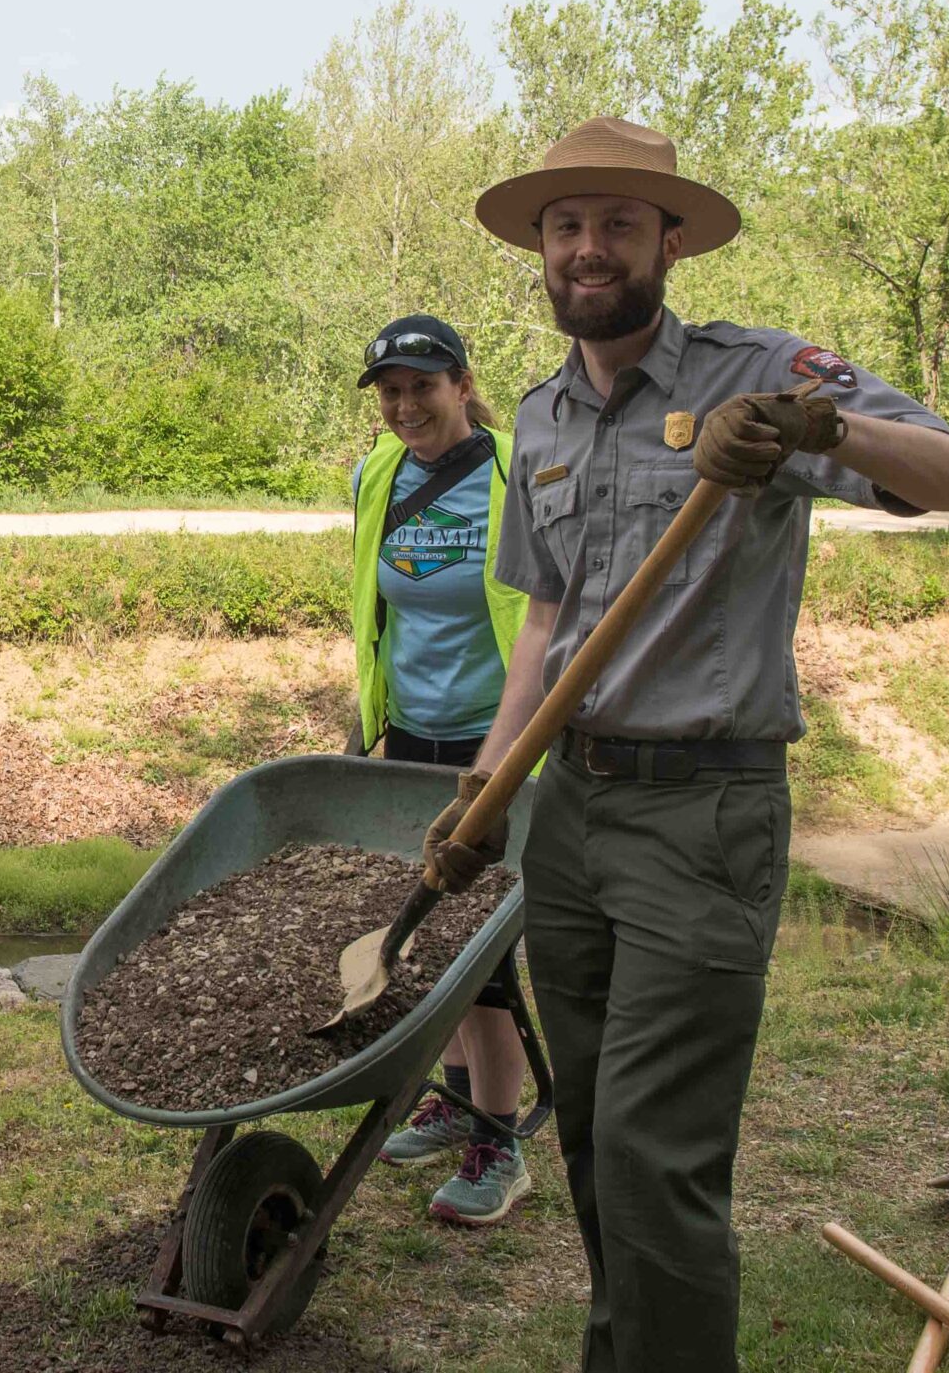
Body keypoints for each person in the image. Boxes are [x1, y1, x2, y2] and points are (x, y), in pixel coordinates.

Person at [426, 116, 949, 1372]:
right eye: (566, 224)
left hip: (704, 815)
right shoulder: (541, 418)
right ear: (539, 245)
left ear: (669, 240)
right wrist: (486, 782)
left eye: (619, 222)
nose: (588, 247)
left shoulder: (760, 373)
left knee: (652, 1152)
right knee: (589, 1146)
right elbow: (549, 619)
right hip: (569, 813)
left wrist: (818, 431)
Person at [347, 313, 534, 1227]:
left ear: (462, 383)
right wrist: (371, 722)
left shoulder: (516, 472)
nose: (406, 405)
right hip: (410, 737)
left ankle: (500, 1142)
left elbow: (545, 615)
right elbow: (378, 612)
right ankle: (455, 1096)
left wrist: (506, 755)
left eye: (423, 385)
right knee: (426, 924)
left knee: (481, 952)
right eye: (390, 391)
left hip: (495, 746)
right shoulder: (374, 477)